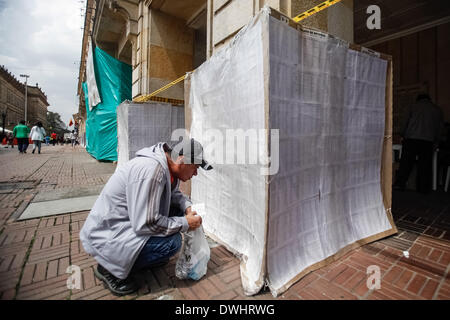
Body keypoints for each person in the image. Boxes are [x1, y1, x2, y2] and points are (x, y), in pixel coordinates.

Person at [80, 139, 213, 296]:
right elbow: (146, 224)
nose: (195, 173)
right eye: (195, 167)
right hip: (108, 236)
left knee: (178, 213)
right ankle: (109, 268)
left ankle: (134, 258)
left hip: (124, 226)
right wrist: (185, 223)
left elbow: (173, 194)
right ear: (181, 159)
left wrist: (187, 206)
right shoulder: (152, 171)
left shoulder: (166, 167)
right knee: (172, 243)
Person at [394, 93, 444, 193]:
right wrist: (437, 141)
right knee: (425, 165)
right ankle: (423, 188)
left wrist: (402, 134)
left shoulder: (413, 106)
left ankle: (400, 184)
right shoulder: (437, 109)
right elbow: (439, 128)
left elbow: (405, 122)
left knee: (406, 163)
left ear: (418, 99)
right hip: (428, 140)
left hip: (411, 138)